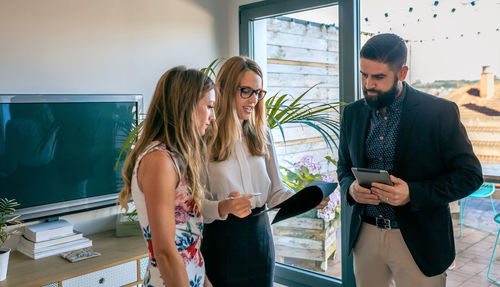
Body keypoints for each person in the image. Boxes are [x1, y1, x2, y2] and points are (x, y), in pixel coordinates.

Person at [337, 33, 483, 287]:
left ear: (402, 73)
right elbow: (343, 168)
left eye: (378, 77)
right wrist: (351, 188)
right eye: (364, 75)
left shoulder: (439, 112)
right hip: (365, 235)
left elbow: (469, 176)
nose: (368, 84)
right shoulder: (352, 113)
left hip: (420, 239)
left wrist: (412, 193)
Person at [200, 56, 328, 287]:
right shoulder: (204, 134)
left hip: (260, 239)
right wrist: (224, 206)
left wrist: (306, 199)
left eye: (258, 93)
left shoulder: (262, 132)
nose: (254, 100)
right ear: (226, 89)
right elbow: (193, 204)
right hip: (221, 240)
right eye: (246, 91)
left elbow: (276, 192)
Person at [118, 66, 217, 287]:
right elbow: (165, 253)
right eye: (209, 106)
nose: (213, 116)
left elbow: (189, 249)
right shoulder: (159, 161)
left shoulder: (173, 158)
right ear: (187, 106)